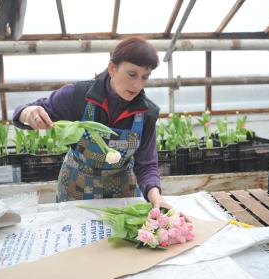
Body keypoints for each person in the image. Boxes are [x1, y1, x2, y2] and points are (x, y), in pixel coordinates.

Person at [13, 37, 172, 211]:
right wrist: (28, 114)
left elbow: (147, 164)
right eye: (131, 74)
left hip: (121, 194)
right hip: (75, 190)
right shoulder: (78, 96)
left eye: (144, 77)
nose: (137, 85)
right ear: (112, 68)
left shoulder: (146, 113)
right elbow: (23, 112)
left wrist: (155, 196)